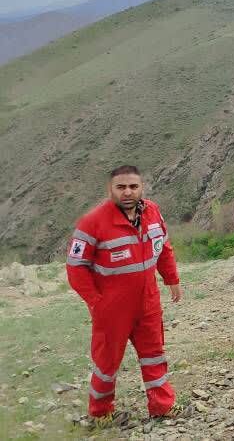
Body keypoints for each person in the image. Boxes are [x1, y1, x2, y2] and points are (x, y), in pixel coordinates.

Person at [66, 165, 192, 428]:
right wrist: (96, 302)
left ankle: (162, 405)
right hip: (111, 307)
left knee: (154, 354)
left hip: (148, 301)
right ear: (109, 189)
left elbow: (164, 247)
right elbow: (76, 267)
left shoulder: (153, 212)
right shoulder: (92, 222)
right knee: (107, 361)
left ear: (141, 187)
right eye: (121, 187)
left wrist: (172, 280)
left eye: (133, 187)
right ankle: (100, 413)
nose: (127, 192)